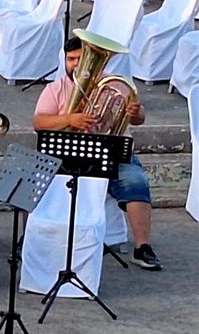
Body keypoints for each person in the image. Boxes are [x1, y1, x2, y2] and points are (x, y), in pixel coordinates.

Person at [32, 36, 160, 270]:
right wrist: (70, 119)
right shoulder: (56, 88)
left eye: (81, 59)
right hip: (66, 151)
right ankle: (30, 239)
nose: (75, 64)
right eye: (71, 59)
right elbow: (39, 122)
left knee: (135, 182)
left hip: (111, 151)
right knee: (32, 178)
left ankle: (142, 247)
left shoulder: (117, 86)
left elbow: (139, 119)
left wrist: (135, 113)